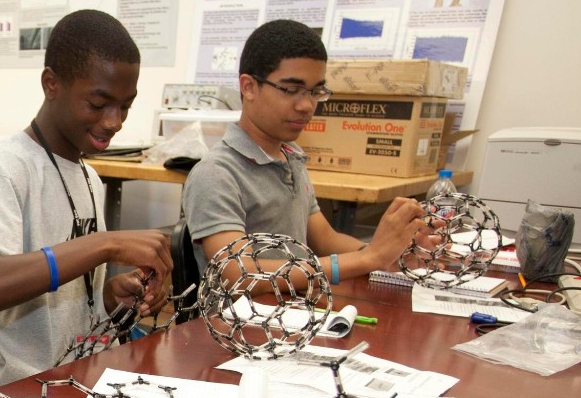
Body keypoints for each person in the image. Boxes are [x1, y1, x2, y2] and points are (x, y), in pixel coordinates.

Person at [0, 10, 173, 388]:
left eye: (125, 106)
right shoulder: (6, 168)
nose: (114, 121)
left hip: (73, 382)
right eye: (98, 104)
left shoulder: (89, 179)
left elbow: (68, 307)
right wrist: (103, 245)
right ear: (51, 84)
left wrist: (111, 300)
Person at [182, 19, 429, 287]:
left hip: (298, 310)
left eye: (315, 92)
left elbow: (323, 238)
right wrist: (369, 258)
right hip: (240, 324)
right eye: (291, 90)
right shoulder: (216, 173)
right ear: (249, 87)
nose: (306, 105)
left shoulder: (291, 156)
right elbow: (239, 273)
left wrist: (390, 253)